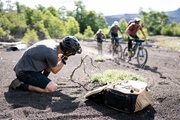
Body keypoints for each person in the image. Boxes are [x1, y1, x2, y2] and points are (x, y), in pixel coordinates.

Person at [9, 36, 82, 93]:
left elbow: (49, 59)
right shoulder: (52, 55)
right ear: (68, 52)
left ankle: (41, 80)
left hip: (23, 67)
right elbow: (55, 70)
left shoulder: (52, 44)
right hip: (24, 73)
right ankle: (19, 85)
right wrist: (64, 59)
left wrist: (59, 58)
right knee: (52, 88)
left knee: (51, 65)